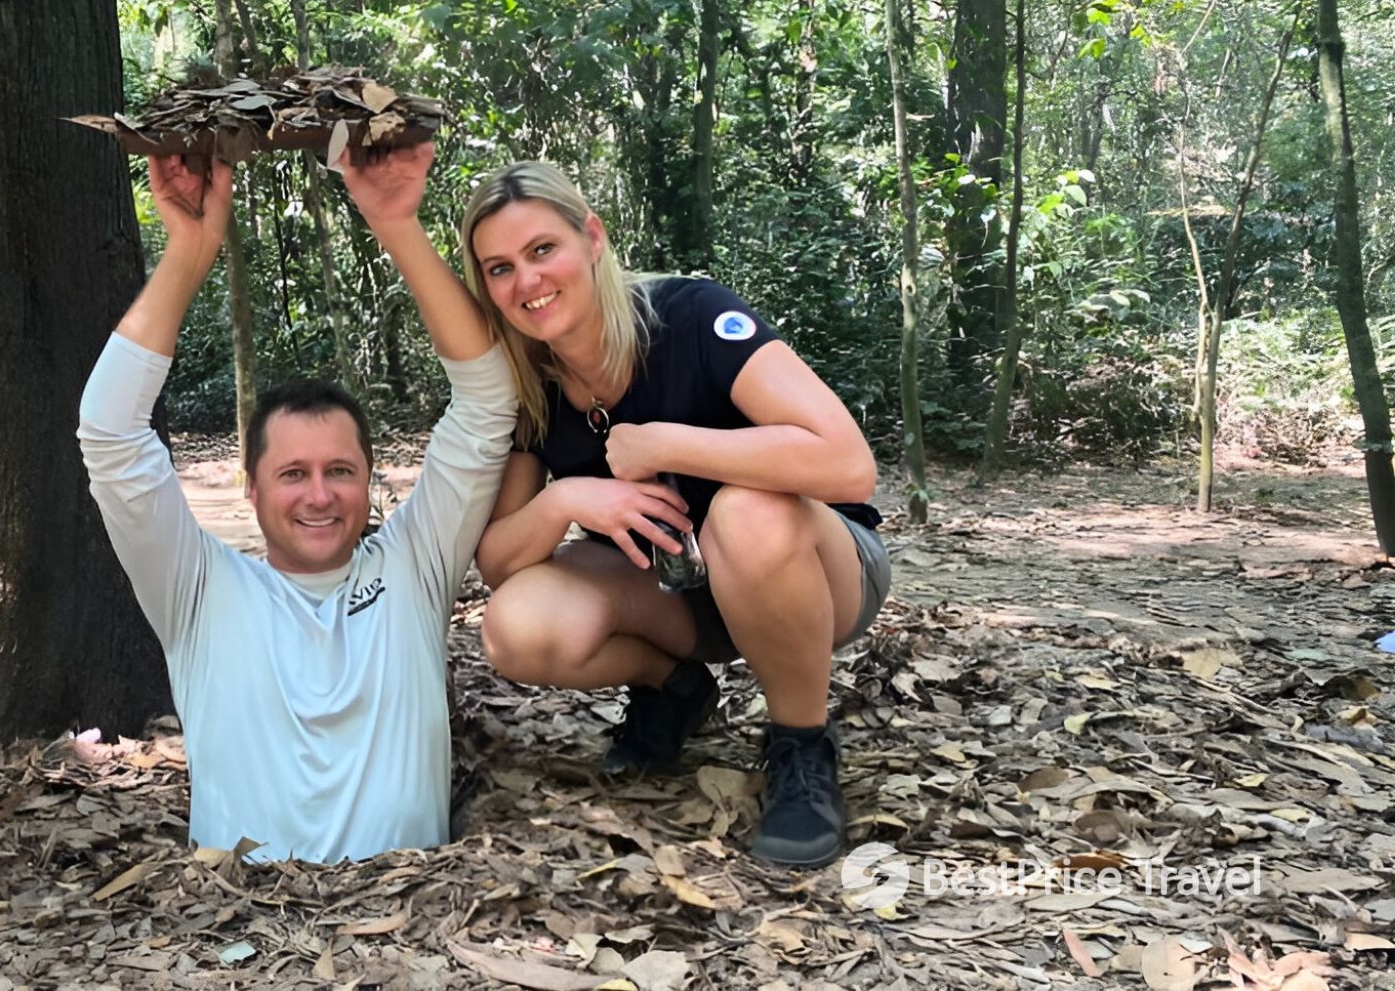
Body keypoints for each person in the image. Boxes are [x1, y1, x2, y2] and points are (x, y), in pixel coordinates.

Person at [77, 143, 514, 864]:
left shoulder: (414, 567)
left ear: (370, 481)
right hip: (241, 919)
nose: (319, 495)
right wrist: (189, 251)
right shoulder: (198, 590)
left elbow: (487, 404)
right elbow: (110, 433)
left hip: (412, 914)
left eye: (340, 471)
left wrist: (396, 223)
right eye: (292, 474)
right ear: (251, 489)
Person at [455, 161, 889, 870]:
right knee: (517, 624)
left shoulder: (690, 316)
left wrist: (665, 444)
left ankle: (801, 747)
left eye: (542, 250)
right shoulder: (531, 382)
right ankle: (675, 688)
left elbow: (847, 463)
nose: (527, 281)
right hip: (685, 593)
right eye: (500, 268)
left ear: (592, 239)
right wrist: (565, 499)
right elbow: (500, 563)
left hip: (820, 572)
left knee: (747, 514)